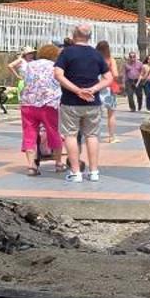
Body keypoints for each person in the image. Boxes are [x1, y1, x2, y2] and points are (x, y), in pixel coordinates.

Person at [54, 24, 111, 182]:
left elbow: (58, 74)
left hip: (70, 101)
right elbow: (109, 78)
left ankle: (75, 172)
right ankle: (94, 172)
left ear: (74, 35)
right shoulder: (96, 54)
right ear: (89, 36)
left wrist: (77, 90)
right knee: (92, 136)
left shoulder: (67, 53)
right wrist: (93, 89)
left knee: (70, 135)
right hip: (92, 102)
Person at [15, 45, 62, 176]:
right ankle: (58, 163)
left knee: (29, 133)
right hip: (48, 103)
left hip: (28, 103)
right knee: (53, 131)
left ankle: (31, 166)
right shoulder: (55, 66)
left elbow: (24, 78)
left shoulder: (30, 65)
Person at [95, 40, 120, 143]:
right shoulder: (110, 60)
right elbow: (115, 74)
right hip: (109, 88)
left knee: (96, 114)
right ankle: (111, 137)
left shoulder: (94, 59)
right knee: (111, 113)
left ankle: (94, 136)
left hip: (96, 87)